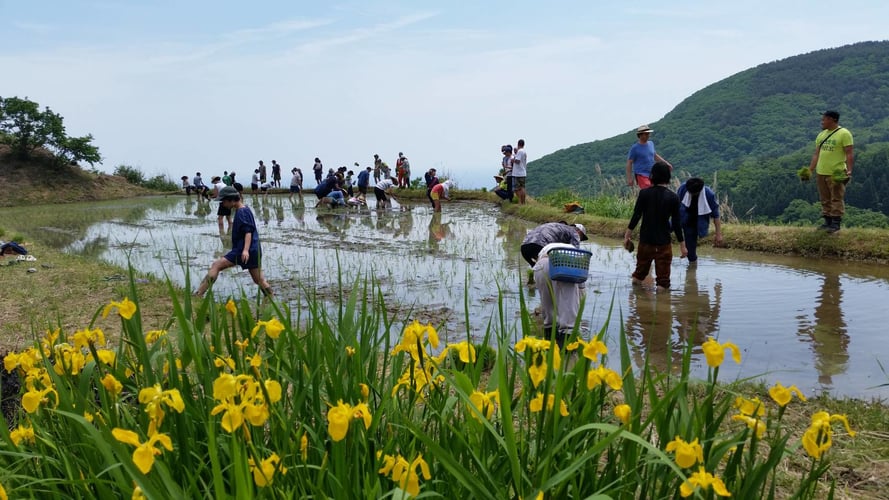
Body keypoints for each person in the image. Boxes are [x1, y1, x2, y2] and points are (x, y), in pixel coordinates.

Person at [194, 186, 273, 298]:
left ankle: (198, 294)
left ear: (231, 200)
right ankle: (271, 298)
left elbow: (248, 232)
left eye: (223, 201)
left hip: (243, 250)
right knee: (259, 280)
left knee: (216, 265)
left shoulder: (241, 213)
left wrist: (245, 250)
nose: (223, 204)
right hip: (254, 249)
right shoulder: (245, 209)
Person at [624, 161, 687, 292]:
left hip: (645, 241)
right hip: (663, 243)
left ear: (652, 176)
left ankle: (638, 299)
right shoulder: (673, 197)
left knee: (638, 277)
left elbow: (636, 216)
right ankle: (661, 304)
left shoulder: (644, 194)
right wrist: (682, 245)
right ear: (667, 177)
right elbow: (676, 223)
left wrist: (627, 235)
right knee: (662, 284)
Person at [533, 241, 587, 347]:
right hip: (564, 264)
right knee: (569, 322)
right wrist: (577, 311)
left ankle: (549, 350)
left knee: (549, 316)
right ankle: (567, 353)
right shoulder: (577, 259)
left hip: (540, 265)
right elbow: (582, 292)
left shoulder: (552, 247)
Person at [808, 110, 854, 233]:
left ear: (832, 120)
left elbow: (849, 153)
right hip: (821, 172)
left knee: (836, 198)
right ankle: (827, 221)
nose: (822, 122)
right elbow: (816, 154)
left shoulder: (844, 134)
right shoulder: (821, 135)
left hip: (836, 172)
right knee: (825, 198)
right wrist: (810, 170)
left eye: (824, 119)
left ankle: (835, 223)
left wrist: (849, 170)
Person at [677, 177, 723, 263]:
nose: (691, 194)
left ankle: (693, 267)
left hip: (695, 223)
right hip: (681, 216)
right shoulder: (683, 188)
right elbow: (676, 204)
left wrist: (718, 234)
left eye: (693, 193)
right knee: (663, 230)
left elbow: (716, 216)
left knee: (691, 254)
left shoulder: (709, 195)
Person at [520, 221, 588, 268]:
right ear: (579, 231)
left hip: (524, 248)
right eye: (581, 237)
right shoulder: (574, 232)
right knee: (550, 270)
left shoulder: (558, 226)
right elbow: (574, 252)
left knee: (538, 269)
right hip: (541, 245)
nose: (580, 240)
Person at [626, 125, 671, 189]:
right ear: (640, 135)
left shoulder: (651, 143)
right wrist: (629, 178)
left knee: (655, 190)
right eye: (646, 134)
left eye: (649, 133)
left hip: (652, 174)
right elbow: (629, 162)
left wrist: (666, 163)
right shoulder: (635, 148)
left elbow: (654, 155)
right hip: (641, 174)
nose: (648, 135)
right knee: (648, 190)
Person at [511, 139, 528, 204]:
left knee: (517, 189)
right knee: (522, 188)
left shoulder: (520, 151)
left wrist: (513, 160)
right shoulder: (524, 151)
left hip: (518, 173)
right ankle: (523, 202)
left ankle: (520, 202)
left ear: (518, 144)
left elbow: (517, 161)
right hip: (523, 172)